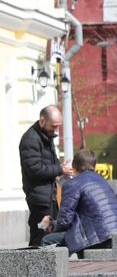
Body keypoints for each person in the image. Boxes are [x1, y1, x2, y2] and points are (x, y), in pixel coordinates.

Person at [40, 148, 117, 257]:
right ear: (94, 166)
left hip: (101, 237)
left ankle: (51, 274)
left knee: (48, 240)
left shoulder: (72, 184)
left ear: (74, 166)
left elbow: (65, 221)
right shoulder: (102, 181)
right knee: (78, 236)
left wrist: (51, 226)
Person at [19, 105, 73, 246]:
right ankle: (34, 265)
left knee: (49, 233)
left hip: (49, 195)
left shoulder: (46, 136)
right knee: (40, 235)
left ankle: (48, 264)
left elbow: (49, 163)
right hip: (39, 199)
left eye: (58, 127)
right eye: (53, 126)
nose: (56, 131)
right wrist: (60, 169)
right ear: (42, 121)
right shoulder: (30, 139)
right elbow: (35, 169)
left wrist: (59, 167)